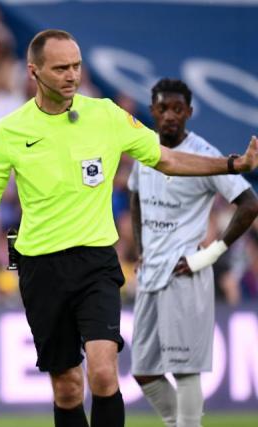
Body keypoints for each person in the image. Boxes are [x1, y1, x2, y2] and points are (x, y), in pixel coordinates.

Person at [0, 29, 258, 427]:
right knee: (68, 387)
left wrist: (231, 164)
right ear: (34, 72)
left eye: (76, 66)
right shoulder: (9, 131)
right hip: (41, 268)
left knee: (104, 372)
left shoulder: (106, 115)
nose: (71, 75)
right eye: (60, 68)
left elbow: (167, 160)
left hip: (96, 261)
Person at [128, 78, 258, 427]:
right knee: (142, 370)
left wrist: (210, 254)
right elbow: (136, 197)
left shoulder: (204, 155)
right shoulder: (145, 151)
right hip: (151, 273)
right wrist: (141, 248)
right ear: (152, 111)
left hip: (185, 270)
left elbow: (248, 203)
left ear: (189, 112)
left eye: (177, 109)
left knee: (185, 370)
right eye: (162, 109)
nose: (169, 116)